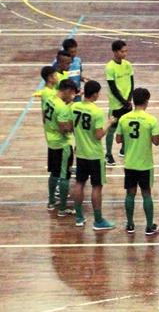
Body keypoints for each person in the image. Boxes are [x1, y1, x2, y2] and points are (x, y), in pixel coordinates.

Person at [70, 80, 117, 230]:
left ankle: (79, 216)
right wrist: (109, 123)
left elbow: (71, 126)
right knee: (97, 186)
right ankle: (98, 220)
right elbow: (98, 135)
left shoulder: (75, 106)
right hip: (95, 155)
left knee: (79, 183)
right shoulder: (96, 112)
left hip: (81, 153)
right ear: (95, 94)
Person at [116, 88, 159, 236]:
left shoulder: (124, 118)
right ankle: (149, 226)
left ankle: (130, 224)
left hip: (129, 163)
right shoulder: (151, 120)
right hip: (145, 164)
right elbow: (156, 142)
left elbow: (118, 139)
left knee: (130, 194)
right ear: (147, 101)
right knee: (146, 194)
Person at [42, 79, 77, 216]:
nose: (72, 96)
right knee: (64, 176)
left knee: (54, 173)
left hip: (51, 142)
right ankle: (62, 208)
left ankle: (51, 202)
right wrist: (73, 122)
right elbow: (65, 129)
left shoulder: (49, 100)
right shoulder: (62, 107)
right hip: (63, 145)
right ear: (67, 90)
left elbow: (45, 118)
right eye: (72, 93)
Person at [105, 40, 134, 166]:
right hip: (116, 105)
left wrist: (129, 99)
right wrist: (123, 101)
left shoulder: (128, 65)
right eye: (122, 51)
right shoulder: (110, 67)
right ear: (115, 52)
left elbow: (132, 82)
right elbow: (113, 87)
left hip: (127, 103)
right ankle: (108, 154)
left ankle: (123, 149)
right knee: (111, 130)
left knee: (126, 128)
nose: (125, 53)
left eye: (126, 51)